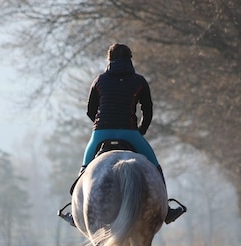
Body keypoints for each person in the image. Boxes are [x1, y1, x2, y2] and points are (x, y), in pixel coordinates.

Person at [58, 43, 186, 226]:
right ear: (130, 59)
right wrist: (140, 131)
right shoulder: (139, 81)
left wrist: (102, 125)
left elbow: (90, 111)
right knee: (155, 166)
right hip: (130, 133)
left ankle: (75, 208)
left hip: (101, 133)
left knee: (85, 167)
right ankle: (166, 209)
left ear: (109, 59)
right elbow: (148, 111)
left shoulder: (99, 80)